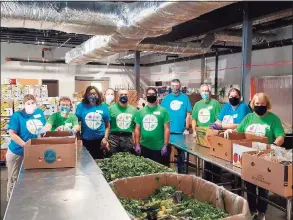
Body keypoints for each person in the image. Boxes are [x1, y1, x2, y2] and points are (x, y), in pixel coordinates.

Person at [234, 93, 285, 220]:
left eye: (262, 104)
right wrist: (230, 132)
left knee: (263, 185)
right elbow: (238, 132)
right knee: (250, 185)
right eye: (257, 104)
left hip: (265, 157)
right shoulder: (248, 117)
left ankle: (262, 212)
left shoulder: (273, 119)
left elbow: (280, 136)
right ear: (253, 104)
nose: (259, 106)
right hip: (248, 157)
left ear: (267, 105)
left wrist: (274, 144)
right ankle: (252, 210)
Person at [6, 94, 46, 201]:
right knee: (14, 178)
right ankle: (11, 202)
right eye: (28, 103)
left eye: (33, 103)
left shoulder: (39, 113)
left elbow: (42, 128)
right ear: (24, 105)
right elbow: (12, 134)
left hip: (33, 152)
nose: (31, 105)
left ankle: (26, 200)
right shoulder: (17, 116)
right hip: (17, 152)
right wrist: (24, 145)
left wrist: (43, 133)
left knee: (30, 177)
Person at [191, 84, 221, 182]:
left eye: (207, 91)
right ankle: (207, 181)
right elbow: (194, 119)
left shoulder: (215, 103)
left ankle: (216, 182)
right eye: (203, 91)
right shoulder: (197, 105)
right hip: (201, 135)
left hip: (212, 135)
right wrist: (194, 131)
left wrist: (214, 129)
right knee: (205, 160)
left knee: (215, 160)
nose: (205, 93)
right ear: (200, 93)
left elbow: (218, 120)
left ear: (210, 92)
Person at [161, 79, 192, 173]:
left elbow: (188, 114)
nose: (175, 87)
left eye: (177, 85)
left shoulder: (185, 98)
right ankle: (166, 174)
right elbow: (162, 115)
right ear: (170, 86)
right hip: (168, 132)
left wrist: (187, 128)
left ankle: (181, 176)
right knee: (165, 155)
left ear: (180, 86)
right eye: (173, 85)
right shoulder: (166, 99)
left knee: (181, 157)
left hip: (181, 132)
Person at [134, 87, 171, 166]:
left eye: (153, 94)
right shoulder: (140, 112)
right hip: (144, 147)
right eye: (149, 94)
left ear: (156, 96)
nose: (151, 96)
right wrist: (137, 144)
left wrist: (165, 145)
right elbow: (137, 129)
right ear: (146, 96)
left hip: (159, 148)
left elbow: (167, 129)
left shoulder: (163, 111)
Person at [75, 86, 110, 159]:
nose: (92, 95)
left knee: (99, 163)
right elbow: (76, 123)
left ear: (98, 94)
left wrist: (105, 138)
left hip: (100, 141)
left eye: (94, 93)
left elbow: (107, 125)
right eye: (89, 94)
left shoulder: (103, 107)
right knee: (85, 163)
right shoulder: (81, 106)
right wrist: (78, 138)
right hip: (85, 140)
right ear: (86, 95)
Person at [108, 89, 137, 156]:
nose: (123, 96)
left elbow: (136, 127)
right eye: (121, 95)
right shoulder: (110, 109)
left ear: (128, 96)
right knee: (112, 158)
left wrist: (135, 142)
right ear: (118, 97)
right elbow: (107, 125)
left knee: (127, 158)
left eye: (125, 94)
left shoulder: (134, 110)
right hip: (113, 138)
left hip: (128, 138)